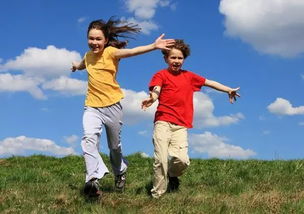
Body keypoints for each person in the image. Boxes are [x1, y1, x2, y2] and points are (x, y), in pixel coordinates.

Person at [71, 17, 175, 197]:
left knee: (114, 147)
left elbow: (133, 52)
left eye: (98, 39)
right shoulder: (88, 57)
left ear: (105, 40)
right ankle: (92, 180)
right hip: (92, 107)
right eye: (91, 38)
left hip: (112, 106)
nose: (94, 42)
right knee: (89, 138)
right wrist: (75, 66)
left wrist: (153, 46)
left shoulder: (111, 53)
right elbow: (82, 65)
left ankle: (120, 172)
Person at [141, 39, 240, 199]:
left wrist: (228, 89)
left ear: (184, 59)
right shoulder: (161, 75)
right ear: (166, 58)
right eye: (173, 58)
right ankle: (157, 195)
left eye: (180, 58)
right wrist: (151, 99)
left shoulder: (189, 76)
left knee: (182, 160)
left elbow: (209, 82)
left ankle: (172, 177)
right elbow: (156, 90)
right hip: (163, 121)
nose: (176, 61)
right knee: (161, 160)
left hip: (181, 125)